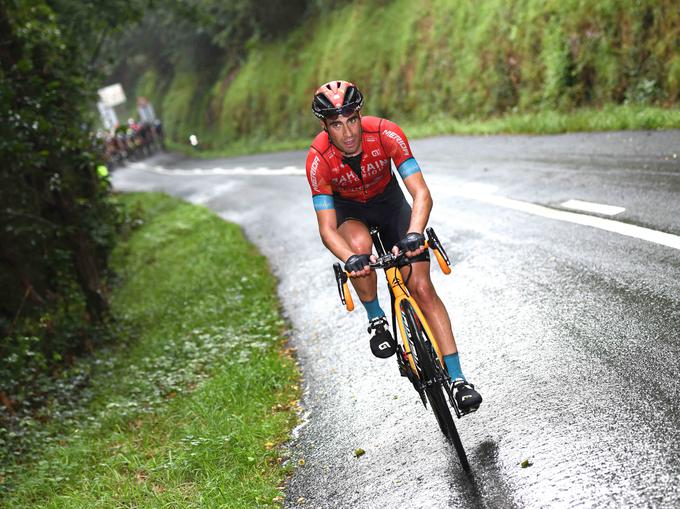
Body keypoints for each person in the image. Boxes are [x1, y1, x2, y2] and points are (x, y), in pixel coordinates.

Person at [304, 80, 482, 412]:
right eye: (336, 124)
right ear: (324, 126)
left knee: (421, 287)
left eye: (352, 119)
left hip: (391, 206)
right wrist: (350, 260)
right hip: (350, 214)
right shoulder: (318, 160)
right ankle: (376, 319)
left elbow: (421, 194)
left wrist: (415, 233)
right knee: (357, 247)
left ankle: (458, 381)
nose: (348, 132)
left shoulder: (387, 134)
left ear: (360, 115)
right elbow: (328, 230)